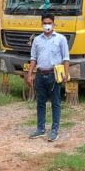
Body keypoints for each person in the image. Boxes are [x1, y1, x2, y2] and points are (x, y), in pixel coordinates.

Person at [25, 13, 69, 142]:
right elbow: (33, 58)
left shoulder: (61, 39)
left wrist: (65, 73)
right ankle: (40, 128)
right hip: (40, 74)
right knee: (40, 103)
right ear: (41, 24)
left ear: (54, 24)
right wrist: (30, 74)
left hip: (54, 74)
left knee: (55, 103)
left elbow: (66, 58)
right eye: (45, 23)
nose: (47, 25)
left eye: (49, 23)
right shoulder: (37, 40)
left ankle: (55, 130)